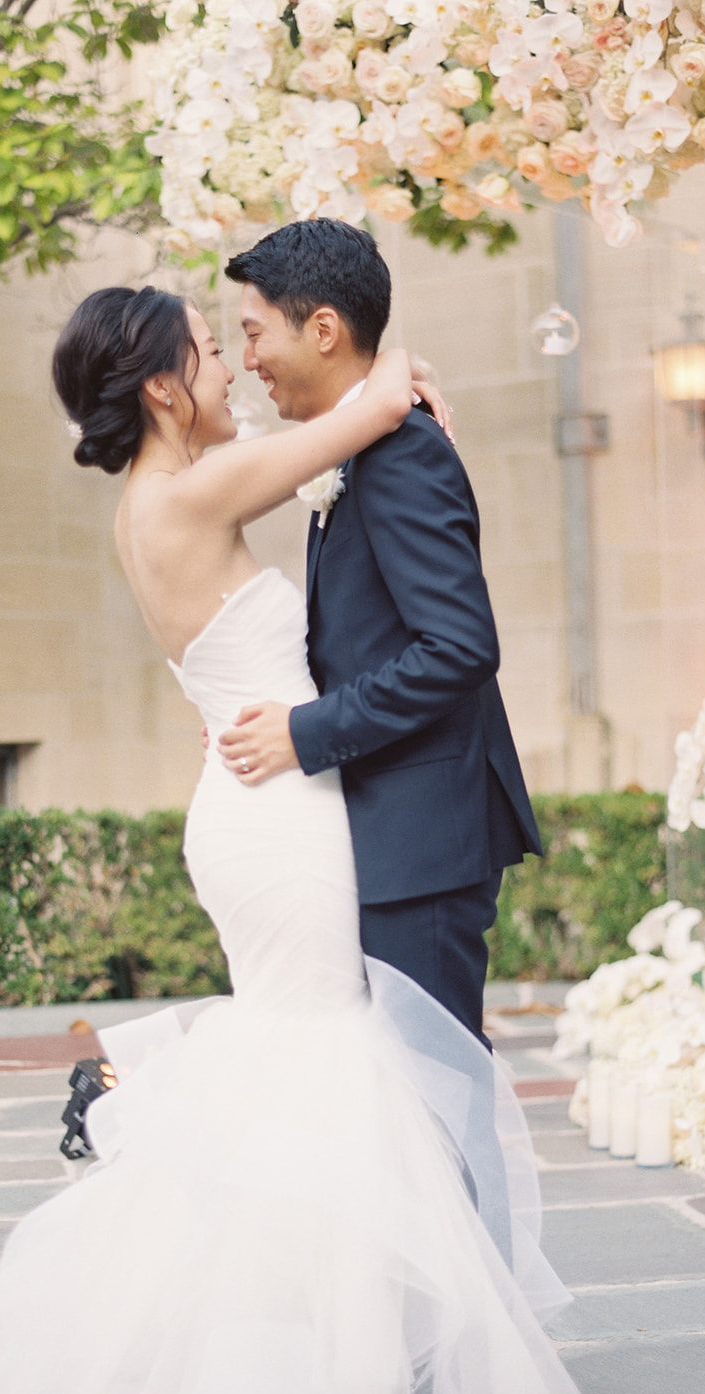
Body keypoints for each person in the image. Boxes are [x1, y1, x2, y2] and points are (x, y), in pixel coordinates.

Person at [0, 284, 584, 1394]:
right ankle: (302, 1375)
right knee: (327, 1060)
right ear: (163, 389)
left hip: (260, 807)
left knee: (312, 1063)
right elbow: (346, 422)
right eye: (215, 351)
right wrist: (392, 387)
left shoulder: (159, 500)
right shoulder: (180, 492)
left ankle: (333, 1362)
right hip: (275, 817)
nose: (232, 367)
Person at [220, 219, 541, 1261]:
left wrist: (307, 733)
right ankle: (434, 1329)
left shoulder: (398, 454)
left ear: (322, 328)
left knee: (436, 1097)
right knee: (400, 1102)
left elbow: (460, 646)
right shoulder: (362, 437)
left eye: (253, 331)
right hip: (389, 831)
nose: (245, 360)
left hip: (426, 839)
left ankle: (481, 1351)